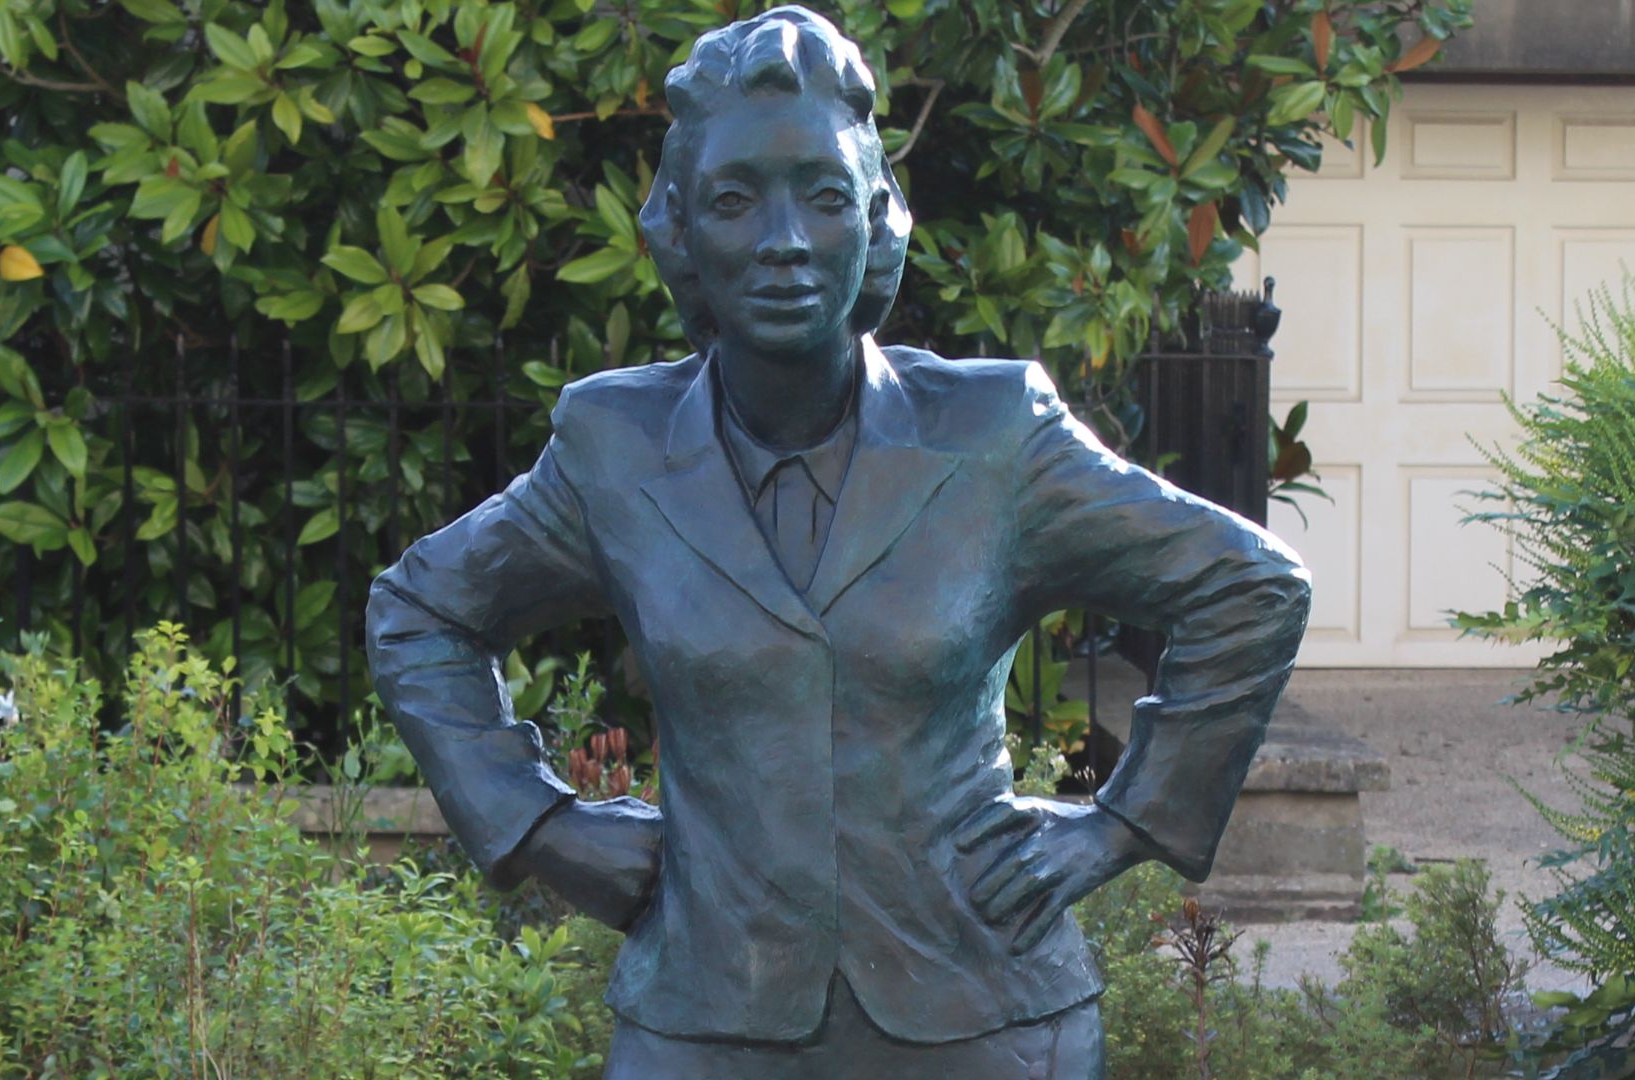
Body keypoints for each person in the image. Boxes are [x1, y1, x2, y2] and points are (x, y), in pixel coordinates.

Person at [364, 7, 1310, 1078]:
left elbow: (1248, 585)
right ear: (678, 229)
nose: (782, 242)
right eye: (734, 200)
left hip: (984, 1019)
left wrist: (1119, 824)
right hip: (707, 1022)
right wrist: (542, 827)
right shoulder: (612, 449)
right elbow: (423, 610)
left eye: (822, 198)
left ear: (876, 219)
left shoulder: (996, 438)